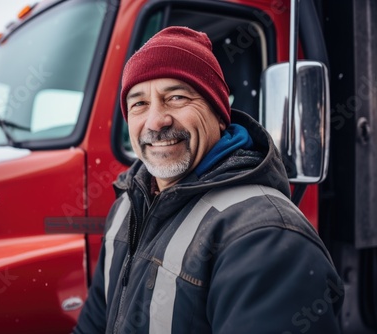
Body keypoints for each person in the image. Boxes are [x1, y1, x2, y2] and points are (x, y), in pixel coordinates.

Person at [73, 26, 344, 333]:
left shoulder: (265, 237)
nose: (155, 121)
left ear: (218, 112)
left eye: (176, 97)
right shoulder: (126, 207)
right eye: (139, 104)